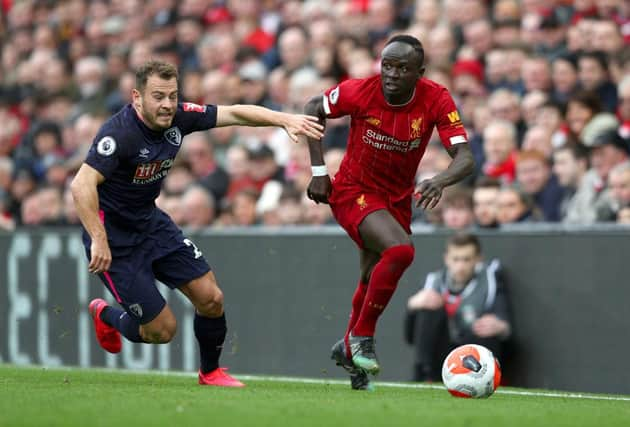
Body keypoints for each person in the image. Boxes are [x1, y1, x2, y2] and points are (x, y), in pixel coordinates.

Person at [70, 60, 323, 387]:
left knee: (211, 297)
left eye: (172, 96)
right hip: (113, 238)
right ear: (137, 97)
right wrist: (99, 240)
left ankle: (210, 372)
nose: (166, 104)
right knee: (161, 331)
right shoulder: (119, 134)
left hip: (151, 223)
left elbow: (234, 113)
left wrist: (283, 118)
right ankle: (107, 315)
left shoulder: (180, 116)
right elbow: (81, 185)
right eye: (158, 96)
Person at [302, 35, 474, 390]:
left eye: (402, 68)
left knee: (370, 275)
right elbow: (312, 107)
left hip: (396, 199)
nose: (392, 74)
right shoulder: (360, 91)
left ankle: (350, 348)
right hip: (353, 191)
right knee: (400, 250)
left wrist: (440, 180)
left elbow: (466, 158)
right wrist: (319, 172)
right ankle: (362, 337)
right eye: (387, 65)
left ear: (419, 72)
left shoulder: (436, 98)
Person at [405, 232, 511, 382]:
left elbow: (506, 326)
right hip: (441, 352)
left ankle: (482, 379)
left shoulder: (490, 281)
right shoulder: (433, 282)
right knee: (429, 309)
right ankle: (425, 376)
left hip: (472, 352)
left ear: (478, 259)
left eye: (467, 260)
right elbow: (409, 338)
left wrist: (499, 326)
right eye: (456, 259)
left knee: (488, 332)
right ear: (446, 259)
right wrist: (412, 305)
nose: (460, 266)